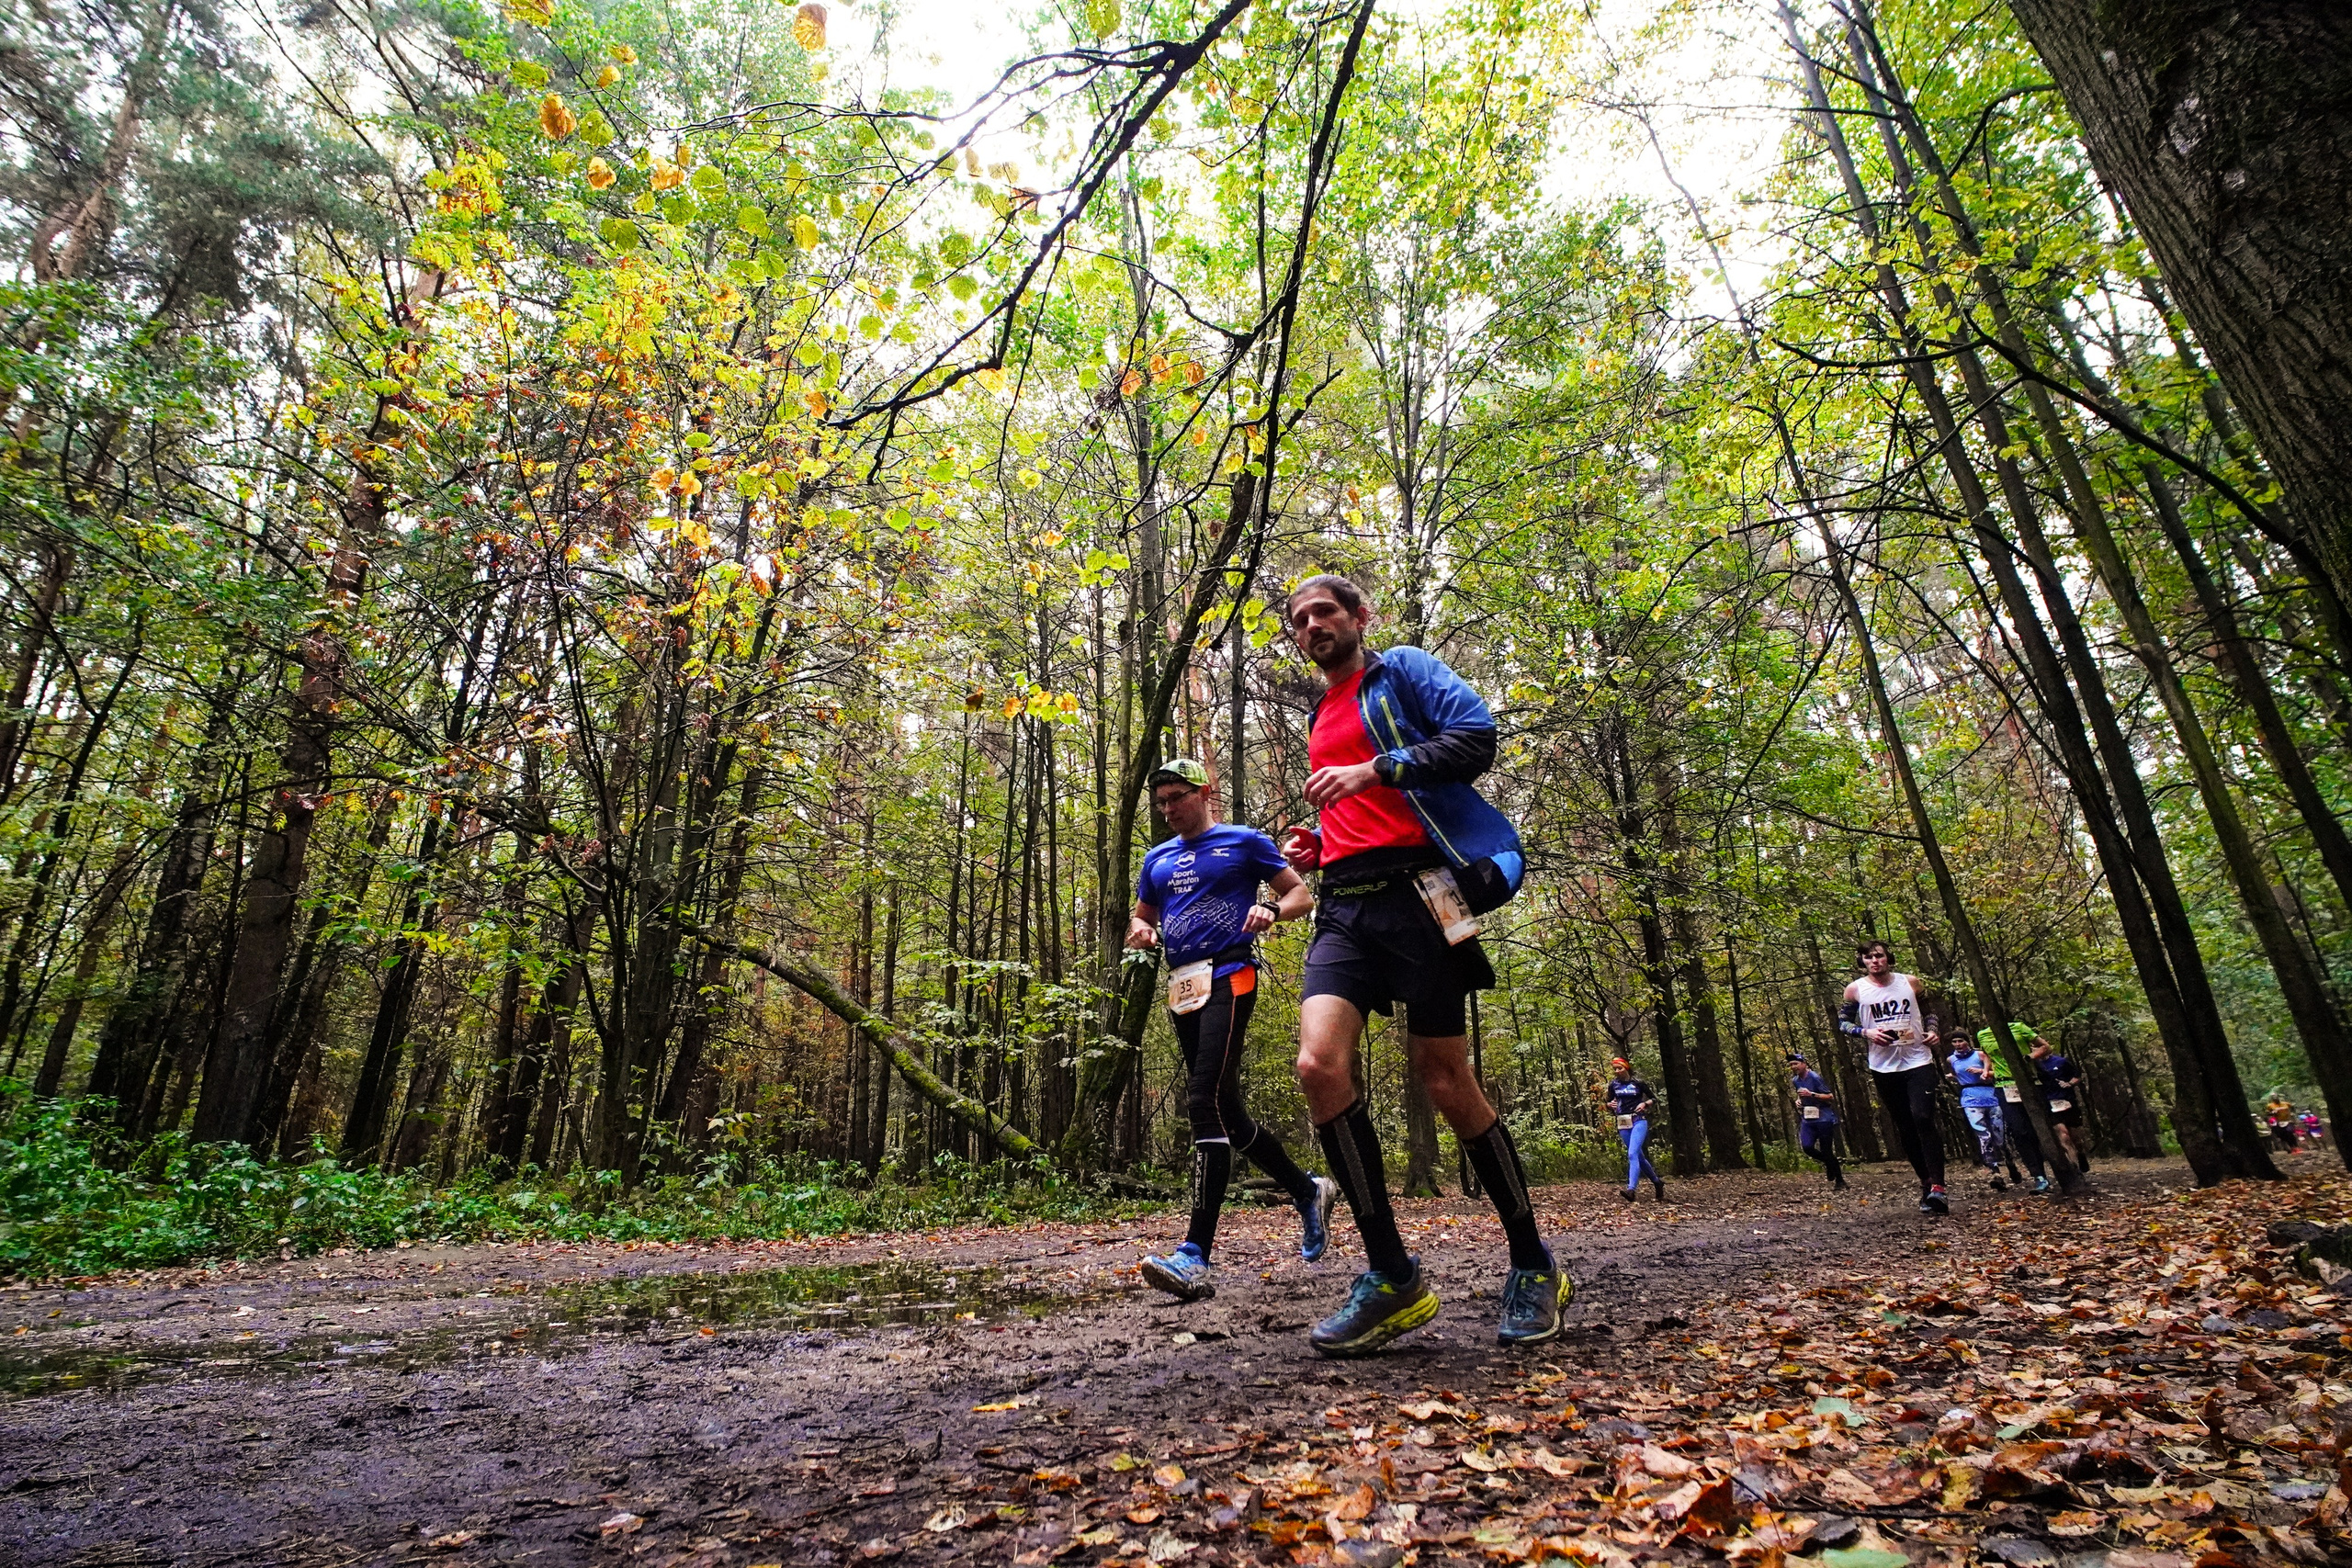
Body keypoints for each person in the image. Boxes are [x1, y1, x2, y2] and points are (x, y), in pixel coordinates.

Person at [1278, 573, 1566, 1357]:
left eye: (1325, 612)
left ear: (1358, 617)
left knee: (1446, 1080)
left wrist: (1374, 772)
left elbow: (1476, 738)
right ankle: (1392, 1275)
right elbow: (1354, 804)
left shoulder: (1399, 670)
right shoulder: (1318, 711)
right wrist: (1320, 838)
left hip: (1426, 894)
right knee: (1317, 1067)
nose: (1312, 626)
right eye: (1300, 620)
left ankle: (1534, 1263)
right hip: (1344, 903)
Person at [1128, 758, 1337, 1302]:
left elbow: (1300, 895)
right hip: (1183, 983)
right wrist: (1142, 930)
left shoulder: (1243, 842)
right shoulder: (1156, 858)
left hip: (1231, 973)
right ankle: (1306, 1189)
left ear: (1204, 792)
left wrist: (1271, 910)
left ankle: (1195, 1253)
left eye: (1177, 797)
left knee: (1202, 1101)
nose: (1168, 809)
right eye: (1162, 801)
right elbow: (1143, 915)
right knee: (1226, 1108)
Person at [1839, 941, 1949, 1214]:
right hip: (1883, 1066)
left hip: (1918, 1060)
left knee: (1923, 1118)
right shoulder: (1855, 989)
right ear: (1862, 961)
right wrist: (1867, 1033)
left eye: (1879, 956)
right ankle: (1925, 1183)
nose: (1875, 961)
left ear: (1889, 958)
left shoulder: (1910, 982)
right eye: (1868, 957)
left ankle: (1939, 1188)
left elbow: (1930, 1012)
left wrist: (1933, 1030)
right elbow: (1843, 1023)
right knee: (1906, 1126)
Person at [1976, 1023, 2051, 1193]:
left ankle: (2065, 1168)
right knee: (2019, 1132)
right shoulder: (1983, 1034)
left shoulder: (2019, 1027)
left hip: (2029, 1083)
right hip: (2004, 1087)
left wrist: (2029, 1058)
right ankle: (2038, 1175)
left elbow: (2045, 1046)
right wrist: (1986, 1070)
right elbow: (1987, 1055)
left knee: (2040, 1130)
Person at [1946, 1034, 2008, 1192]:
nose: (1958, 1044)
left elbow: (1997, 1071)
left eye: (1961, 1041)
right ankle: (1995, 1173)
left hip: (1990, 1095)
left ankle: (2010, 1162)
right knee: (1983, 1135)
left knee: (1999, 1135)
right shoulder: (1951, 1060)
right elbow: (1956, 1074)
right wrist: (1953, 1077)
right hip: (1969, 1098)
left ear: (1968, 1041)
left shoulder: (1980, 1054)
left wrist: (1982, 1071)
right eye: (1955, 1041)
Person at [1606, 1058, 1668, 1201]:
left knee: (1632, 1153)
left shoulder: (1638, 1083)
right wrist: (1610, 1105)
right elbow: (1609, 1102)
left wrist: (1645, 1104)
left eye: (1619, 1068)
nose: (1617, 1072)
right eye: (1614, 1069)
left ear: (1626, 1068)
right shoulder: (1613, 1085)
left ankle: (1631, 1190)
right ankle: (1657, 1183)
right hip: (1622, 1122)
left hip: (1638, 1120)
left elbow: (1654, 1098)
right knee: (1639, 1157)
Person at [1786, 1051, 1847, 1190]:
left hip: (1823, 1117)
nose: (1793, 1067)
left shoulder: (1814, 1077)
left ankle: (1840, 1181)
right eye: (1791, 1065)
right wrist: (1799, 1101)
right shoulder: (1795, 1080)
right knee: (1807, 1147)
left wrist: (1812, 1094)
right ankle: (1830, 1164)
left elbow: (1830, 1096)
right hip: (1808, 1118)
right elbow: (1801, 1096)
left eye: (1796, 1064)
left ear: (1804, 1064)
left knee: (1826, 1150)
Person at [2030, 1035, 2090, 1174]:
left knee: (2076, 1138)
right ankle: (2075, 1171)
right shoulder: (2033, 1066)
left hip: (2068, 1102)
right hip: (2050, 1104)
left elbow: (2077, 1076)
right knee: (2064, 1136)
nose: (2035, 1049)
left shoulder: (2061, 1062)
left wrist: (2069, 1083)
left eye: (2038, 1046)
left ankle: (2080, 1154)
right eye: (2033, 1047)